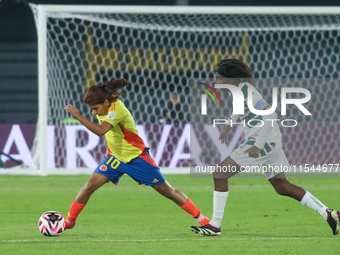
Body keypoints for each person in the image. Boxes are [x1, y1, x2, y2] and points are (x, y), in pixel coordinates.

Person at [190, 58, 340, 236]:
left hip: (262, 141)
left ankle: (214, 225)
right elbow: (238, 109)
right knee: (281, 186)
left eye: (220, 78)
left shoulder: (249, 93)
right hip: (270, 140)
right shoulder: (237, 92)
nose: (218, 82)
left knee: (220, 173)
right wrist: (229, 125)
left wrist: (258, 146)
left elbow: (271, 115)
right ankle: (329, 213)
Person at [64, 78, 209, 230]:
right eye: (91, 110)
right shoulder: (104, 108)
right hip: (114, 158)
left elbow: (101, 131)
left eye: (95, 108)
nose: (94, 113)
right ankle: (69, 222)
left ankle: (203, 221)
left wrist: (79, 116)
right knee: (89, 187)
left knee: (168, 192)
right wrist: (94, 114)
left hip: (136, 158)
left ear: (106, 102)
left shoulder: (116, 110)